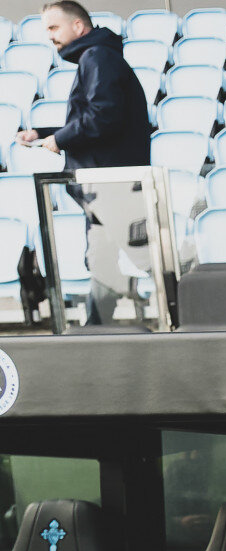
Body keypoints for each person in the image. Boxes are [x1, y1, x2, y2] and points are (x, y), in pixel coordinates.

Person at [15, 1, 151, 327]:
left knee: (143, 257)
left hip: (111, 186)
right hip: (104, 186)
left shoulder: (98, 57)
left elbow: (103, 116)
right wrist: (44, 134)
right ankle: (96, 330)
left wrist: (60, 139)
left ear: (77, 27)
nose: (50, 36)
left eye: (53, 27)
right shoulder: (98, 56)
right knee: (102, 259)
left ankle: (199, 308)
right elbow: (96, 117)